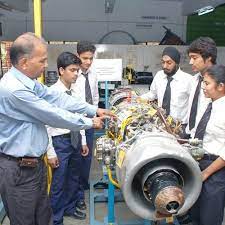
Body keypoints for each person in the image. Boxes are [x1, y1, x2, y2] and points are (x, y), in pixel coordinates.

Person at [0, 32, 113, 225]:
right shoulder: (14, 89)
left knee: (43, 216)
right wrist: (89, 122)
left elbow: (57, 98)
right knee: (25, 219)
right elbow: (52, 114)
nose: (46, 65)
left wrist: (95, 109)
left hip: (34, 165)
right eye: (42, 61)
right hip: (18, 169)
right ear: (25, 62)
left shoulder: (29, 83)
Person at [47, 52, 87, 225]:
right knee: (58, 183)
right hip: (60, 142)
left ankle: (70, 208)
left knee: (73, 178)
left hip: (75, 138)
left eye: (77, 70)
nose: (76, 74)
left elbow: (80, 117)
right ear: (61, 70)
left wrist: (83, 140)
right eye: (72, 70)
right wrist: (50, 152)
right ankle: (56, 218)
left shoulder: (76, 91)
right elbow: (45, 125)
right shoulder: (51, 93)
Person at [189, 65, 225, 225]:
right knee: (195, 214)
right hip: (200, 164)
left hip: (216, 170)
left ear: (221, 86)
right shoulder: (209, 105)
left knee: (209, 218)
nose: (203, 87)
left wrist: (206, 173)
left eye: (207, 83)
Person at [72, 41, 99, 209]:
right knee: (78, 158)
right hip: (76, 122)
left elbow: (95, 97)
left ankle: (83, 183)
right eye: (85, 58)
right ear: (77, 56)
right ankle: (78, 193)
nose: (88, 62)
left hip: (90, 121)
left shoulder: (93, 74)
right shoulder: (73, 76)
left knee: (88, 157)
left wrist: (95, 115)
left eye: (91, 58)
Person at [141, 46, 192, 126]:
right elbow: (152, 94)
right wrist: (138, 98)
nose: (165, 66)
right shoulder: (159, 76)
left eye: (169, 63)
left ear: (177, 63)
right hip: (161, 123)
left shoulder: (188, 80)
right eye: (163, 62)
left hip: (180, 127)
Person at [185, 37, 217, 138]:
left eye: (194, 58)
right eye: (190, 58)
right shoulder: (194, 80)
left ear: (208, 58)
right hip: (191, 136)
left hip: (212, 143)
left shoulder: (220, 83)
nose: (190, 62)